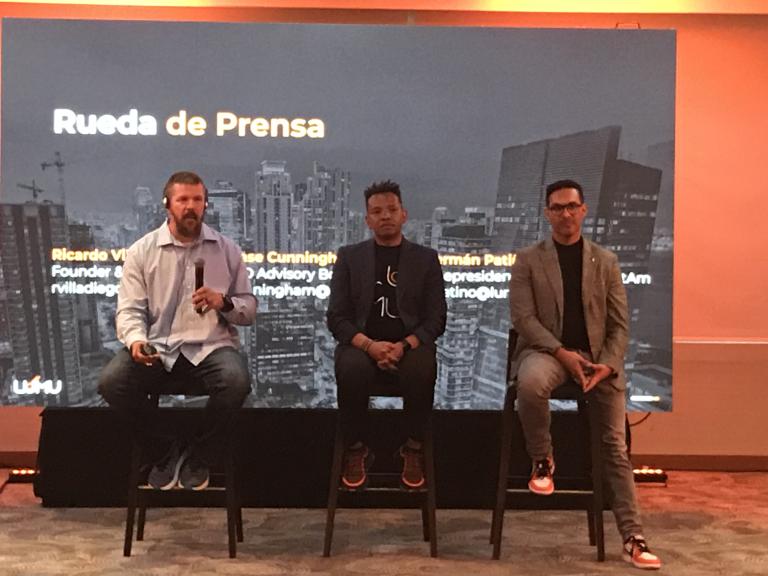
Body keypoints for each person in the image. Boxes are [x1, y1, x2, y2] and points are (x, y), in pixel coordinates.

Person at [508, 179, 661, 570]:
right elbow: (523, 319)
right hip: (548, 353)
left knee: (614, 445)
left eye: (571, 206)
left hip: (598, 361)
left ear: (583, 210)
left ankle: (633, 536)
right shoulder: (528, 259)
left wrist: (606, 364)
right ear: (547, 213)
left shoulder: (605, 261)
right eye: (557, 208)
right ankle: (542, 459)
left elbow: (619, 325)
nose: (565, 214)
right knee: (529, 384)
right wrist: (563, 353)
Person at [98, 171, 257, 491]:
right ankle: (163, 450)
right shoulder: (142, 251)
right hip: (158, 345)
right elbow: (129, 310)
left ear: (205, 205)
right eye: (183, 199)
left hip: (211, 346)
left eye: (197, 200)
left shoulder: (226, 250)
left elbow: (249, 310)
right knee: (111, 382)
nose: (190, 207)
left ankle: (200, 455)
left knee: (237, 381)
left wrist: (224, 302)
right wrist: (136, 341)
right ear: (167, 204)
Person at [326, 180, 447, 490]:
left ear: (404, 214)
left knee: (421, 369)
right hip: (361, 344)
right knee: (351, 369)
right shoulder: (350, 257)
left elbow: (437, 319)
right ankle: (355, 448)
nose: (385, 216)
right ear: (367, 220)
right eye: (376, 212)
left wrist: (404, 345)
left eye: (392, 210)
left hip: (410, 345)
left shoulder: (426, 259)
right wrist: (370, 346)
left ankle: (414, 447)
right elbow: (336, 318)